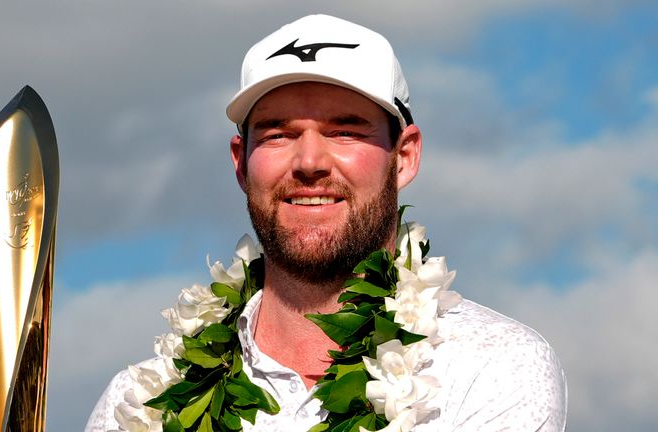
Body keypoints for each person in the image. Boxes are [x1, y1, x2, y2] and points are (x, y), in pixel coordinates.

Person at [85, 14, 566, 432]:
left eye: (344, 130)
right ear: (240, 162)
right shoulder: (141, 402)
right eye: (278, 134)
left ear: (404, 157)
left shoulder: (491, 364)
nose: (310, 161)